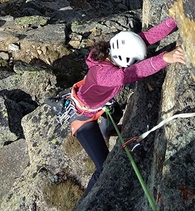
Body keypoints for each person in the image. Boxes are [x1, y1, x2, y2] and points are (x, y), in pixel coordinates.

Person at [67, 17, 186, 197]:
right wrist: (165, 58)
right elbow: (135, 72)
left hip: (97, 108)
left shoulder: (110, 50)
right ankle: (84, 205)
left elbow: (145, 37)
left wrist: (173, 21)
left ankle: (106, 132)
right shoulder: (107, 75)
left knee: (114, 114)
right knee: (102, 169)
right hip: (82, 120)